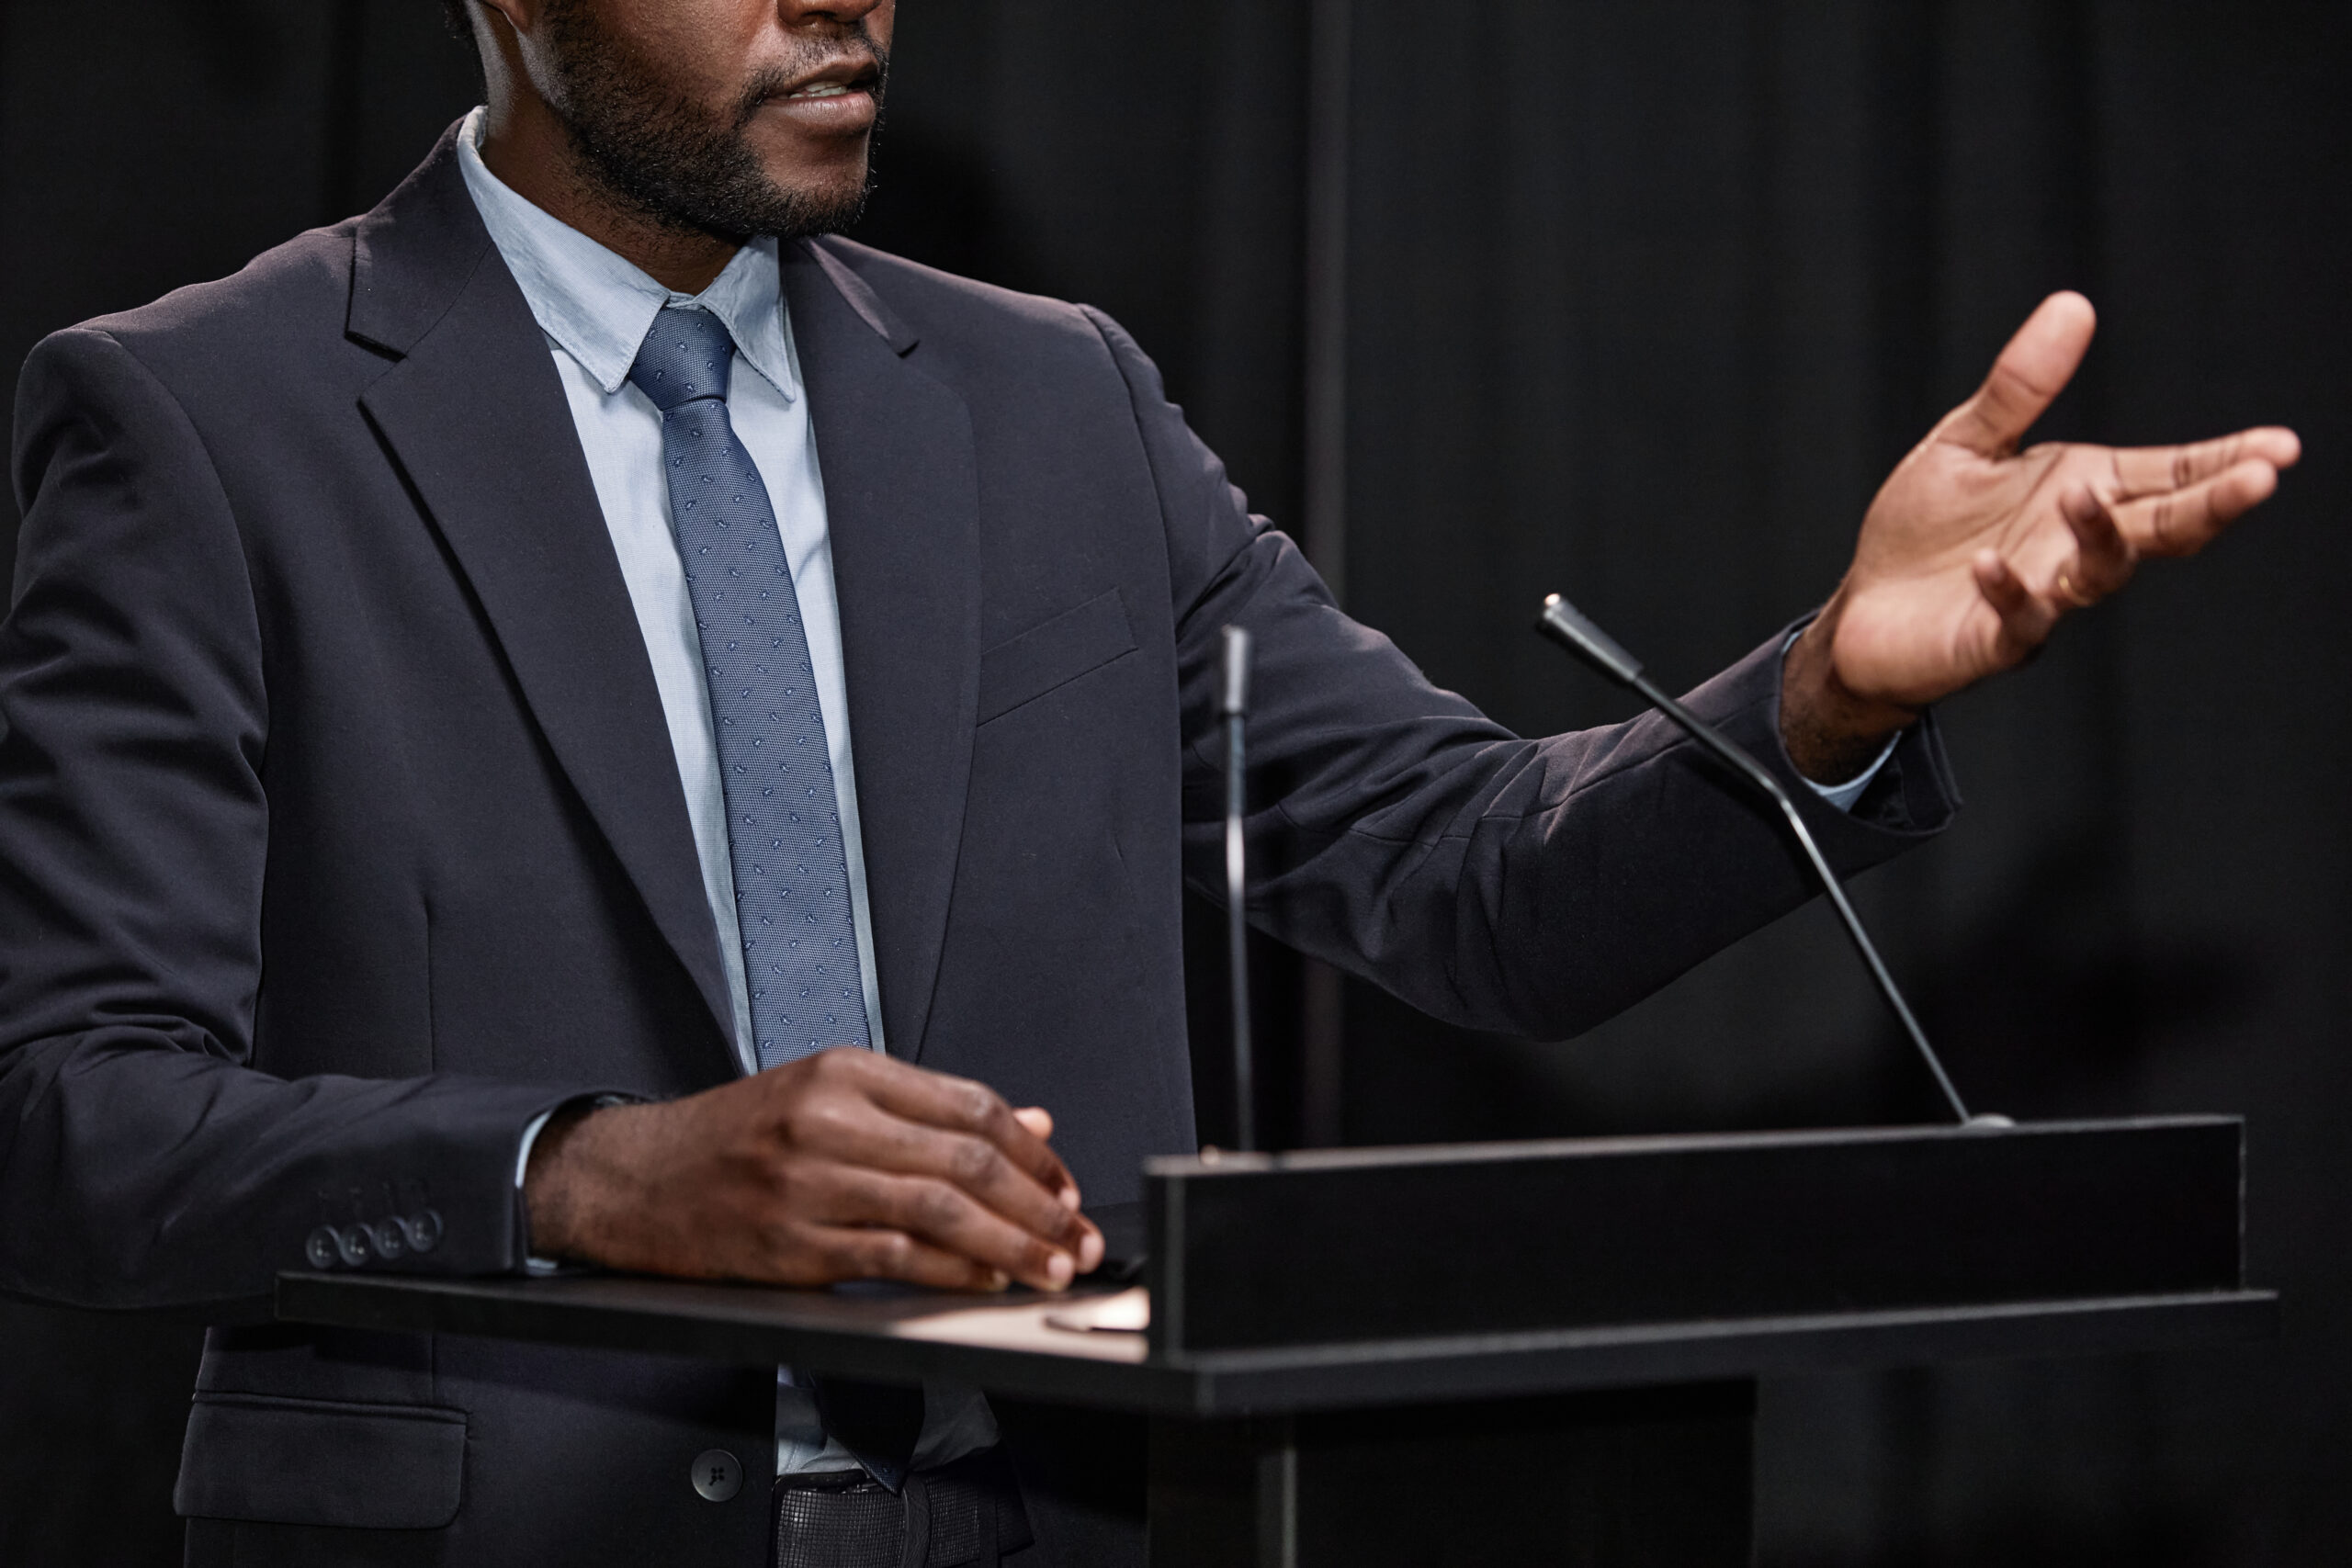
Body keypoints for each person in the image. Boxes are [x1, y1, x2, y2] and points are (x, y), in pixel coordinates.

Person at [0, 0, 2298, 1564]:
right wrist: (579, 1171)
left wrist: (1817, 688)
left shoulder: (1047, 404)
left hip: (1063, 1517)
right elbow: (69, 1113)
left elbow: (1465, 876)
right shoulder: (203, 420)